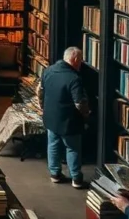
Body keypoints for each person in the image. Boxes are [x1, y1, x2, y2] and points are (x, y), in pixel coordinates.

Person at [39, 46, 89, 188]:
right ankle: (76, 177)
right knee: (72, 148)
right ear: (74, 60)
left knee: (53, 145)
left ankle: (55, 173)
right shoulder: (74, 78)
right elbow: (79, 103)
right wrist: (86, 115)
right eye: (80, 61)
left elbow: (41, 91)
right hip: (69, 121)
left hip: (50, 117)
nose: (80, 64)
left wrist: (43, 108)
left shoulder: (48, 71)